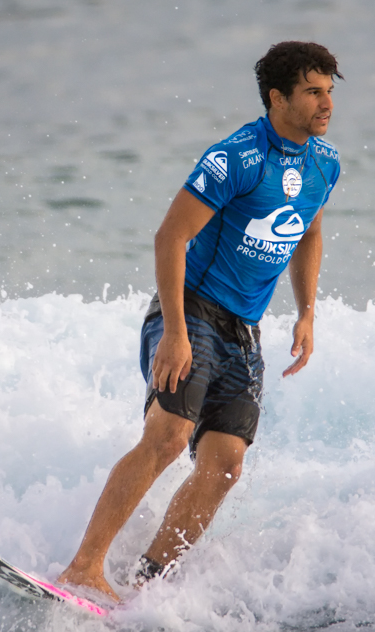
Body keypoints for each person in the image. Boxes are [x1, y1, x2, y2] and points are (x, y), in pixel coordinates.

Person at [58, 41, 343, 602]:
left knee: (225, 465)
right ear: (277, 98)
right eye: (313, 91)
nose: (325, 103)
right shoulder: (236, 156)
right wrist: (175, 331)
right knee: (167, 438)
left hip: (244, 330)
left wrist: (307, 313)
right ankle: (83, 568)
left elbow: (308, 229)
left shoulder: (324, 163)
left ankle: (146, 586)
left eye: (330, 91)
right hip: (190, 311)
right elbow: (171, 235)